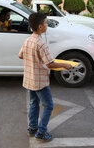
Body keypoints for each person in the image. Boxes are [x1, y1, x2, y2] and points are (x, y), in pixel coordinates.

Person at [18, 12, 72, 142]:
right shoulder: (41, 44)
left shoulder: (28, 40)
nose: (47, 25)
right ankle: (41, 132)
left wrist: (33, 60)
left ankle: (32, 128)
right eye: (46, 23)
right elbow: (50, 64)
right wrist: (66, 65)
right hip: (40, 81)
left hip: (30, 80)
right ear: (40, 27)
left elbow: (21, 55)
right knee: (48, 106)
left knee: (33, 104)